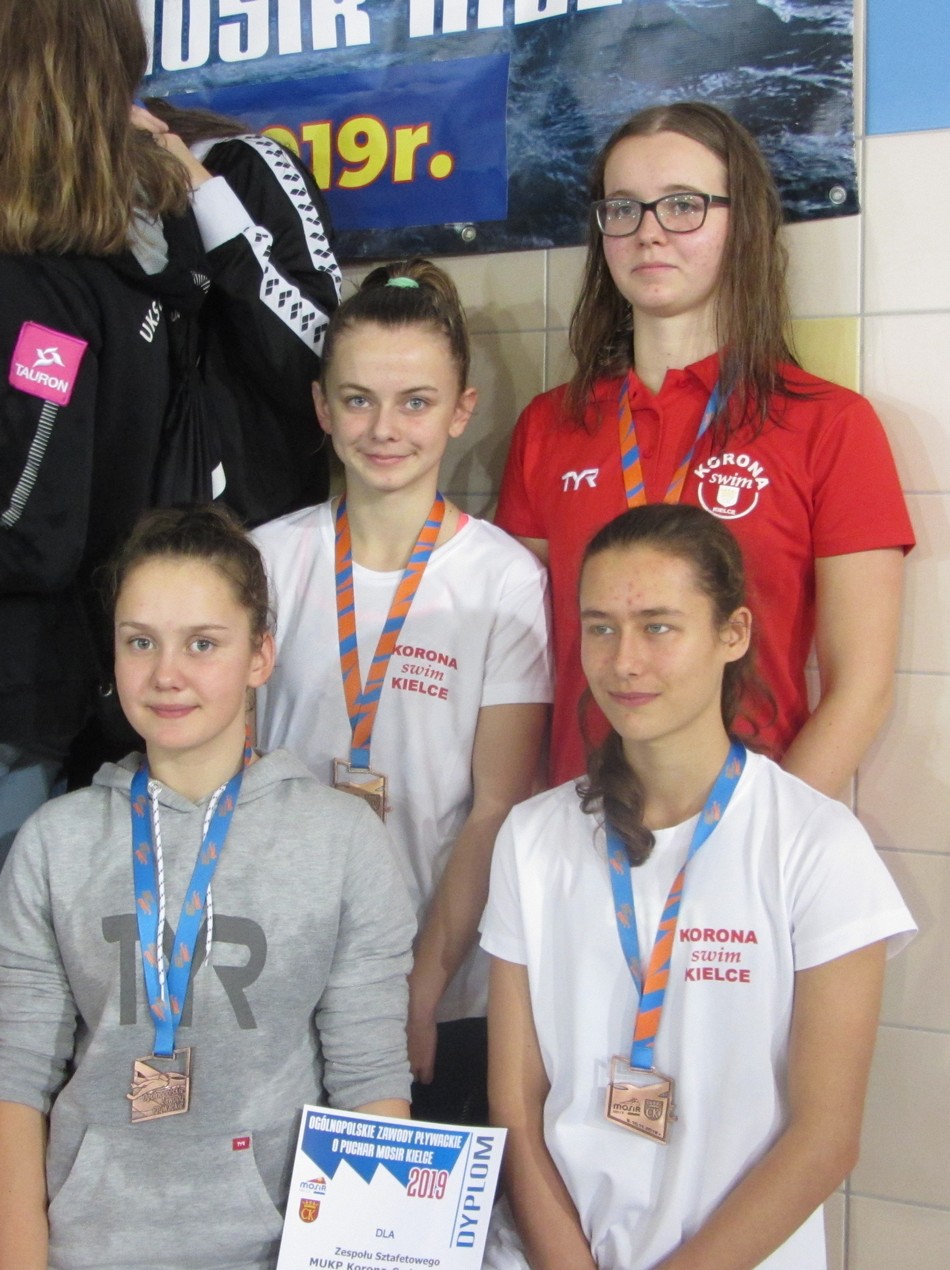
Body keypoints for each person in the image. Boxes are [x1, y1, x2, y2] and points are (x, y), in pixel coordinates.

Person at [480, 503, 915, 1270]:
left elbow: (824, 1140)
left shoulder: (814, 844)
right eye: (602, 628)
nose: (624, 662)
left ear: (733, 633)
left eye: (658, 626)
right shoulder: (532, 838)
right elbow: (516, 1103)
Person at [0, 505, 415, 1270]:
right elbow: (16, 1080)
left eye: (202, 643)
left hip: (275, 1247)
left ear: (260, 655)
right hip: (87, 1247)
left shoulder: (342, 840)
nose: (167, 674)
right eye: (140, 642)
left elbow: (370, 1079)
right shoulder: (54, 844)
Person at [495, 102, 914, 793]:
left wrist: (762, 837)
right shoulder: (549, 425)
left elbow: (861, 690)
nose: (649, 232)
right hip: (579, 820)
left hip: (749, 822)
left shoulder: (830, 425)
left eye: (683, 205)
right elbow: (521, 671)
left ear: (741, 223)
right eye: (623, 208)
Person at [253, 259, 551, 1124]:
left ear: (461, 410)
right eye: (358, 400)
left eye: (416, 402)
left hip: (442, 989)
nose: (384, 429)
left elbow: (496, 806)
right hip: (284, 976)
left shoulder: (503, 579)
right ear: (322, 407)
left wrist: (420, 986)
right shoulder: (265, 560)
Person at [0, 0, 218, 867]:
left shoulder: (45, 289)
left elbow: (30, 517)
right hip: (75, 691)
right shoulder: (135, 264)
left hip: (26, 704)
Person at [141, 97, 343, 524]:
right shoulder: (76, 199)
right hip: (140, 527)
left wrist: (204, 192)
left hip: (257, 528)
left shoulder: (245, 163)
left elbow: (319, 357)